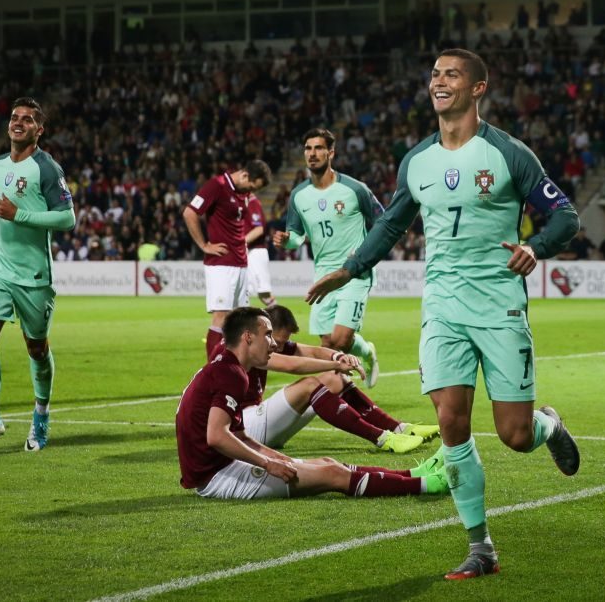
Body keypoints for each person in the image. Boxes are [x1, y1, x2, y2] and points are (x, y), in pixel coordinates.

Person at [306, 49, 581, 580]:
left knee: (515, 435)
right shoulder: (417, 161)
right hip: (442, 308)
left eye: (451, 74)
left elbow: (564, 216)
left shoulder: (508, 154)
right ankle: (481, 547)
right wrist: (350, 267)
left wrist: (536, 248)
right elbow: (391, 225)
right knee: (451, 423)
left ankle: (548, 424)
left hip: (498, 305)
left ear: (478, 88)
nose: (438, 81)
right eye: (434, 74)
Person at [176, 307, 449, 500]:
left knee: (327, 462)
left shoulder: (228, 364)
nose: (273, 344)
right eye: (268, 335)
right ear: (248, 337)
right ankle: (426, 485)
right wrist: (268, 463)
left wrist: (274, 456)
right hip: (217, 477)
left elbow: (235, 434)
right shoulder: (231, 373)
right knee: (332, 474)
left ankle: (413, 473)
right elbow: (216, 436)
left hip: (222, 465)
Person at [0, 97, 76, 455]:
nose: (19, 122)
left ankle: (41, 415)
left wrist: (18, 216)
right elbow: (1, 208)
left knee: (36, 347)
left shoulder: (47, 168)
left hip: (32, 274)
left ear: (38, 129)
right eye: (14, 117)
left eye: (27, 119)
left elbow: (66, 218)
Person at [236, 305, 439, 454]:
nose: (276, 346)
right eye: (274, 340)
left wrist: (338, 357)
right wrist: (336, 364)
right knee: (309, 385)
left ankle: (400, 428)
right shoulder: (246, 347)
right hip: (243, 430)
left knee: (334, 379)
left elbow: (311, 351)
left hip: (261, 429)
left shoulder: (263, 341)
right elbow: (293, 365)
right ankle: (382, 438)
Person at [272, 128, 384, 387]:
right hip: (322, 274)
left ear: (331, 152)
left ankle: (362, 361)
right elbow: (296, 235)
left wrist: (364, 255)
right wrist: (286, 240)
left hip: (354, 272)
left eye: (319, 148)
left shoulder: (355, 189)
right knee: (327, 346)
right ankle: (352, 377)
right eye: (308, 148)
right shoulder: (299, 196)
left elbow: (382, 221)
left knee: (341, 340)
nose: (312, 153)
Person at [183, 160, 273, 358]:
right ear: (244, 175)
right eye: (252, 186)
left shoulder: (243, 193)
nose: (251, 191)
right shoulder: (217, 186)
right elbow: (190, 212)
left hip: (241, 263)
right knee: (221, 317)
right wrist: (204, 245)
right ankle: (213, 372)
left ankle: (236, 369)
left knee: (240, 320)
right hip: (221, 265)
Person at [243, 192, 275, 307]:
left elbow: (259, 229)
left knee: (264, 294)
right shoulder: (243, 202)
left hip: (256, 252)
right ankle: (244, 322)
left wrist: (240, 243)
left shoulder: (252, 202)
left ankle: (282, 321)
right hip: (247, 251)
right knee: (243, 291)